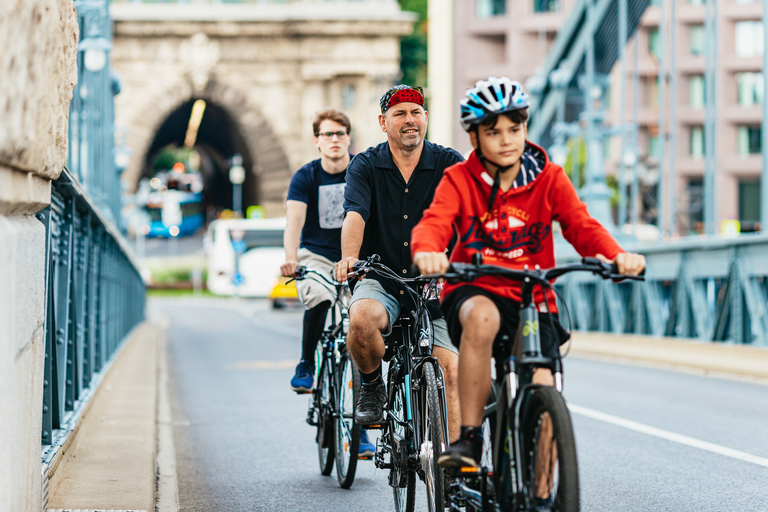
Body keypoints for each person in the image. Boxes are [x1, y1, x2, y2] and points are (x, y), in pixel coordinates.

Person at [411, 77, 646, 469]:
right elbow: (434, 223)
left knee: (543, 385)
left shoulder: (549, 178)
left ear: (525, 129)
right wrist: (428, 251)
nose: (507, 140)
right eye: (493, 132)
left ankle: (540, 496)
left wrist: (617, 256)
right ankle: (469, 439)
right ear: (475, 140)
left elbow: (582, 226)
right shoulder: (459, 180)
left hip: (533, 296)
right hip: (475, 288)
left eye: (514, 129)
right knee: (482, 318)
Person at [334, 85, 464, 442]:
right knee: (361, 319)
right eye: (400, 114)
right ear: (383, 122)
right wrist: (350, 257)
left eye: (416, 113)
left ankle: (450, 476)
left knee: (451, 370)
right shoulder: (365, 164)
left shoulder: (449, 163)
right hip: (382, 274)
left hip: (434, 280)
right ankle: (373, 385)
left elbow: (470, 216)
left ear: (425, 118)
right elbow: (355, 213)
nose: (410, 120)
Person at [280, 108, 375, 457]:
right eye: (327, 135)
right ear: (317, 141)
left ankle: (363, 431)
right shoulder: (305, 177)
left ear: (348, 138)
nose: (334, 140)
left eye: (340, 134)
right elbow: (294, 222)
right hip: (317, 257)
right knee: (319, 296)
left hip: (356, 258)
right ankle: (306, 363)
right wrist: (291, 258)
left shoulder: (362, 170)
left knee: (361, 335)